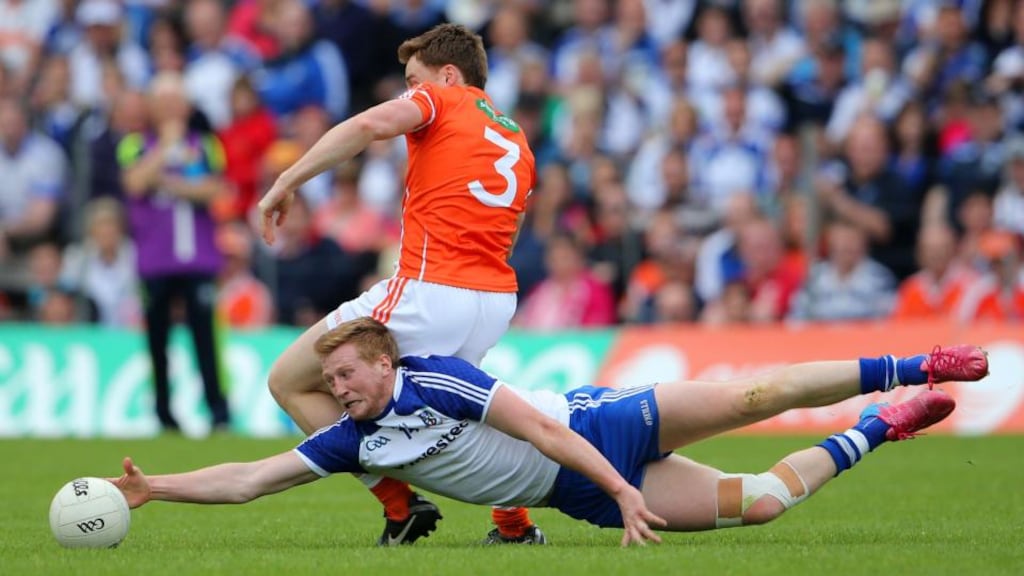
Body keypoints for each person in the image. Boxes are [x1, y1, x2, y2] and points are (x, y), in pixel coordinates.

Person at [108, 317, 990, 546]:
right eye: (328, 382)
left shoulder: (438, 380)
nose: (335, 391)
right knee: (762, 506)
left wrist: (620, 484)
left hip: (595, 429)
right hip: (572, 491)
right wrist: (156, 492)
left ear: (384, 363)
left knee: (752, 395)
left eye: (345, 375)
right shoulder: (356, 441)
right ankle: (882, 427)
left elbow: (535, 424)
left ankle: (917, 364)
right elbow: (250, 478)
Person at [256, 23, 540, 545]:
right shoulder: (516, 138)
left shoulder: (440, 100)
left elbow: (369, 125)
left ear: (448, 75)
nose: (409, 91)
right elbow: (512, 228)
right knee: (474, 411)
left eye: (413, 80)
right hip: (493, 297)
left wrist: (286, 180)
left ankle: (399, 504)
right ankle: (514, 525)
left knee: (290, 380)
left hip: (428, 288)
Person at [117, 71, 231, 433]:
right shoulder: (136, 144)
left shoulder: (206, 144)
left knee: (205, 336)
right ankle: (164, 413)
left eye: (175, 102)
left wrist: (166, 182)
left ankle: (218, 410)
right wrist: (166, 150)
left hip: (198, 258)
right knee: (157, 338)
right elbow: (134, 183)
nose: (169, 109)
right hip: (155, 260)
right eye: (162, 102)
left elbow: (214, 191)